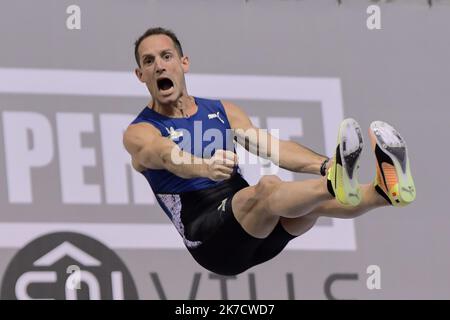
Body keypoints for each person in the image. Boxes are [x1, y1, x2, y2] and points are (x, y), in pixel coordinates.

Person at [123, 27, 416, 276]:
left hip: (257, 231)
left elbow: (272, 148)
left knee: (309, 203)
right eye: (148, 61)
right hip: (211, 243)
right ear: (140, 75)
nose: (159, 66)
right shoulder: (140, 131)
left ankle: (381, 192)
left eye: (166, 56)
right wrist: (204, 167)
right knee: (268, 187)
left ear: (183, 62)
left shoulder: (221, 110)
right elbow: (165, 156)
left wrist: (324, 164)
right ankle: (334, 183)